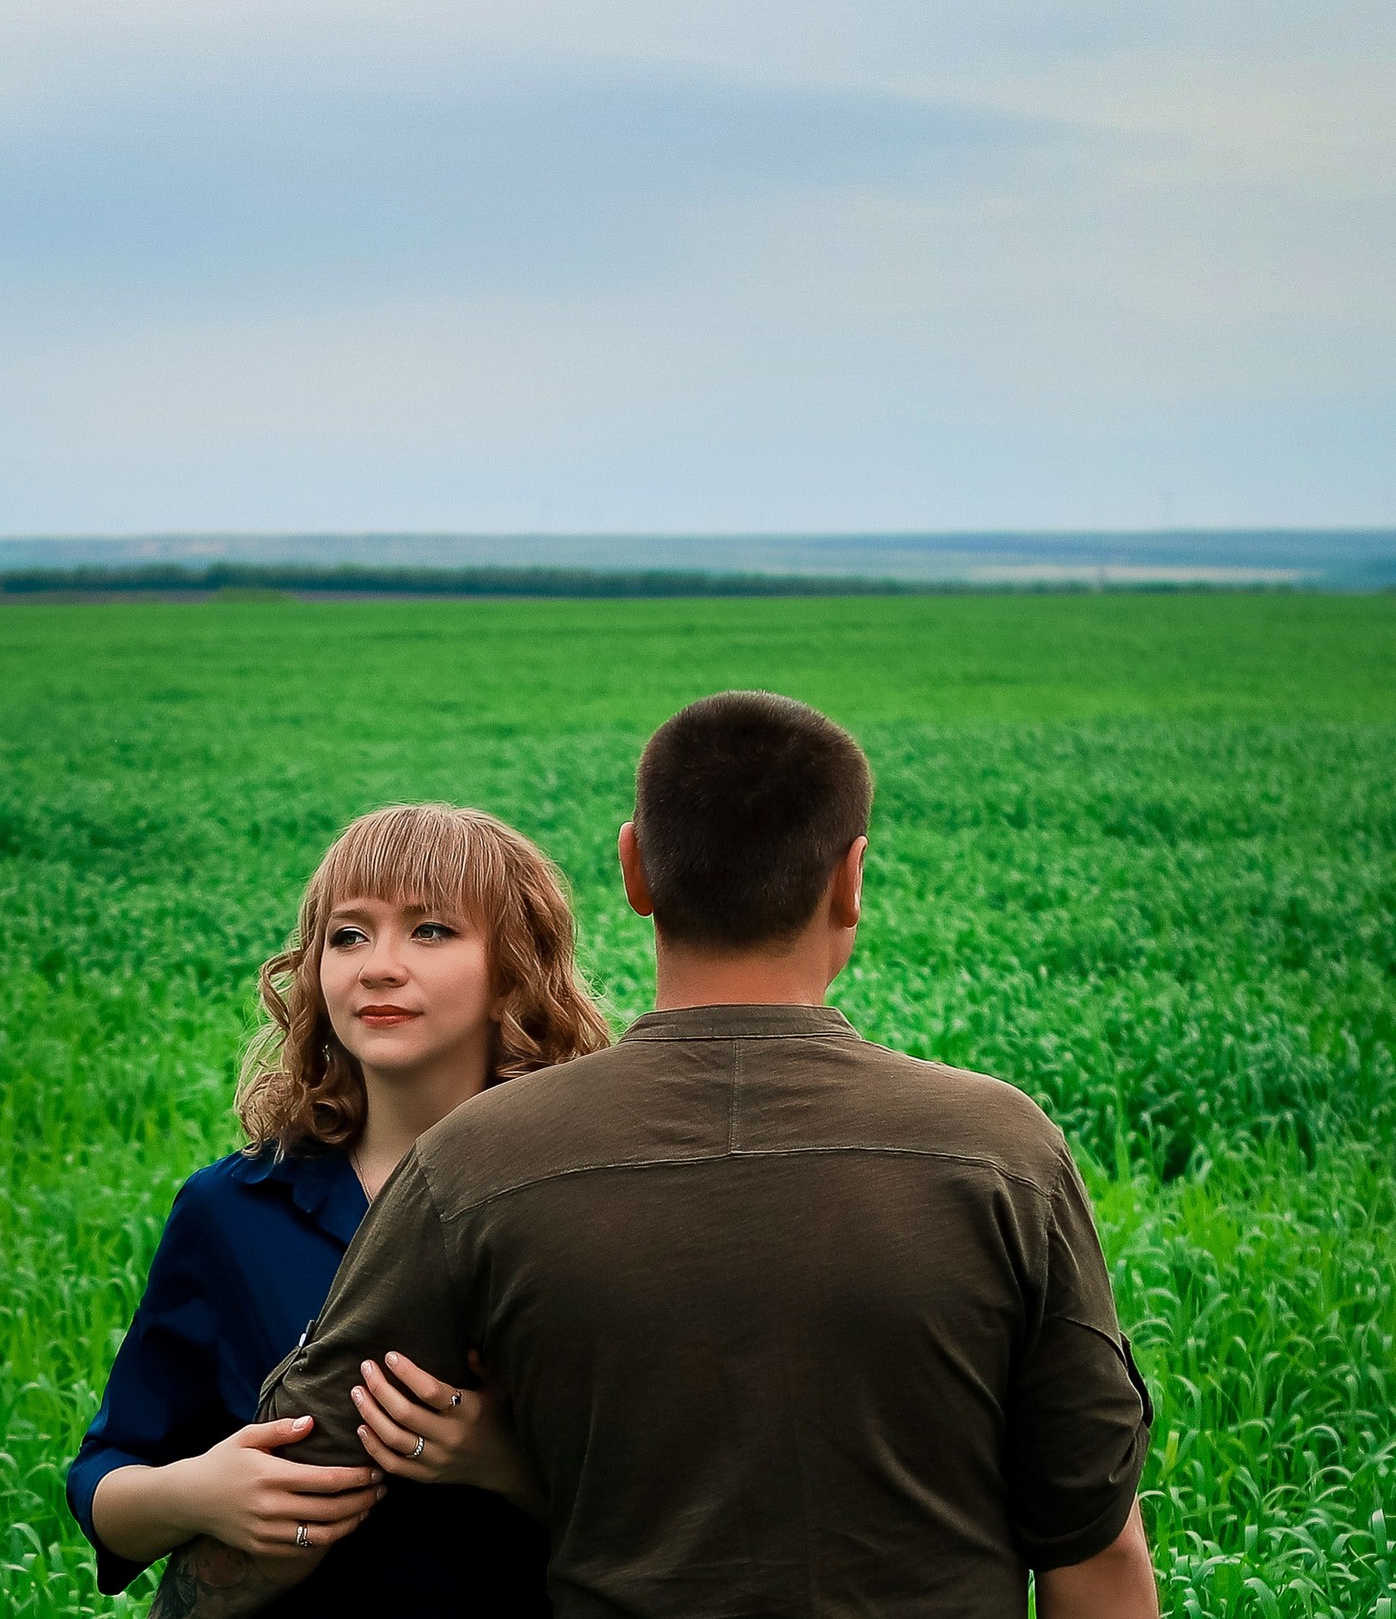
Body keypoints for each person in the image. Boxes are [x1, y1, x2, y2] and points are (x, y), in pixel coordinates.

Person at [203, 692, 1158, 1618]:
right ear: (849, 878)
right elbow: (1095, 1543)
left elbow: (304, 1475)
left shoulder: (473, 1161)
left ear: (636, 871)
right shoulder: (1003, 1152)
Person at [67, 804, 611, 1615]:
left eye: (430, 929)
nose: (377, 966)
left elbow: (683, 1514)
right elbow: (105, 1472)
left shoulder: (588, 1202)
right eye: (348, 935)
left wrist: (502, 1460)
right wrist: (199, 1493)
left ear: (513, 973)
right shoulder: (232, 1207)